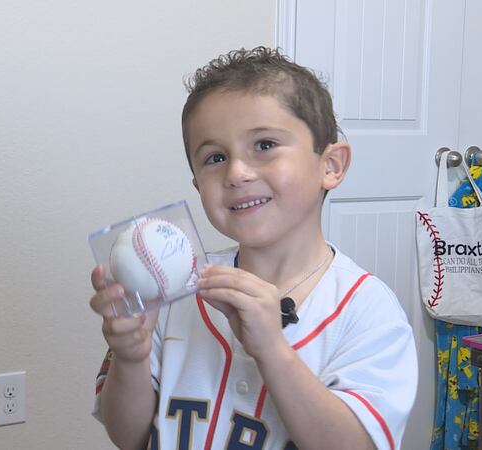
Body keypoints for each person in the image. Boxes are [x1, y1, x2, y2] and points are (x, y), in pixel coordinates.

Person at [90, 46, 417, 450]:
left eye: (264, 145)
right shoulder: (174, 295)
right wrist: (131, 359)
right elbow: (129, 437)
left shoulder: (369, 311)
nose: (237, 173)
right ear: (197, 185)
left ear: (330, 165)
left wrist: (272, 351)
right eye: (214, 157)